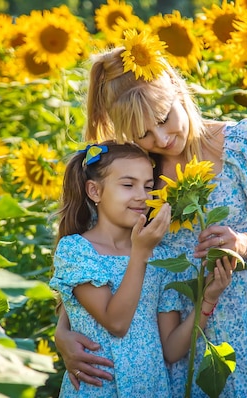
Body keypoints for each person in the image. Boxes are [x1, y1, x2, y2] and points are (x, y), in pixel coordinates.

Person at [54, 45, 247, 398]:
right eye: (143, 134)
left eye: (165, 119)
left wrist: (246, 243)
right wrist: (63, 331)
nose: (162, 139)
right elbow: (98, 251)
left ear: (179, 91)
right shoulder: (136, 171)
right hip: (174, 344)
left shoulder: (239, 144)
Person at [50, 141, 233, 397]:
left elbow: (171, 349)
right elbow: (116, 322)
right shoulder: (78, 251)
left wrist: (208, 297)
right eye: (128, 185)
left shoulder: (162, 258)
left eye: (149, 186)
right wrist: (140, 253)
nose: (142, 196)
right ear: (94, 191)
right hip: (98, 391)